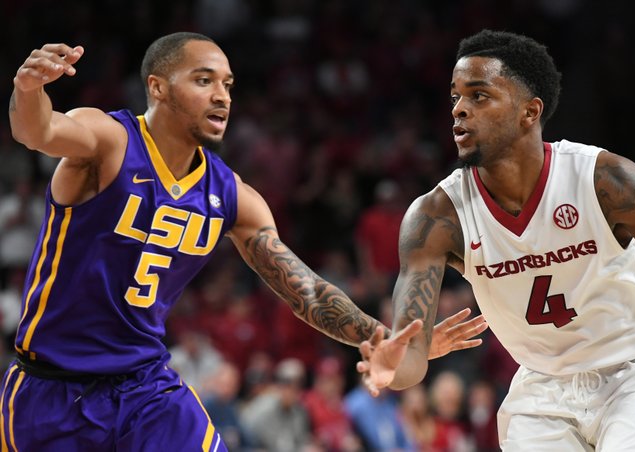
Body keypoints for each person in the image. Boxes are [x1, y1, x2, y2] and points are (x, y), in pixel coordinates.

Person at [6, 32, 488, 451]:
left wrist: (378, 340)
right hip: (51, 389)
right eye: (204, 81)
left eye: (228, 85)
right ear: (157, 87)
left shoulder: (233, 196)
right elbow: (38, 129)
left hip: (145, 388)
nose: (222, 96)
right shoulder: (108, 139)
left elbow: (308, 292)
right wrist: (28, 88)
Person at [356, 29, 635, 451]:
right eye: (455, 97)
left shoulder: (607, 181)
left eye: (479, 95)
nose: (458, 109)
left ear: (530, 112)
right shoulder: (436, 218)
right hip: (541, 388)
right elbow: (411, 354)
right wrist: (392, 367)